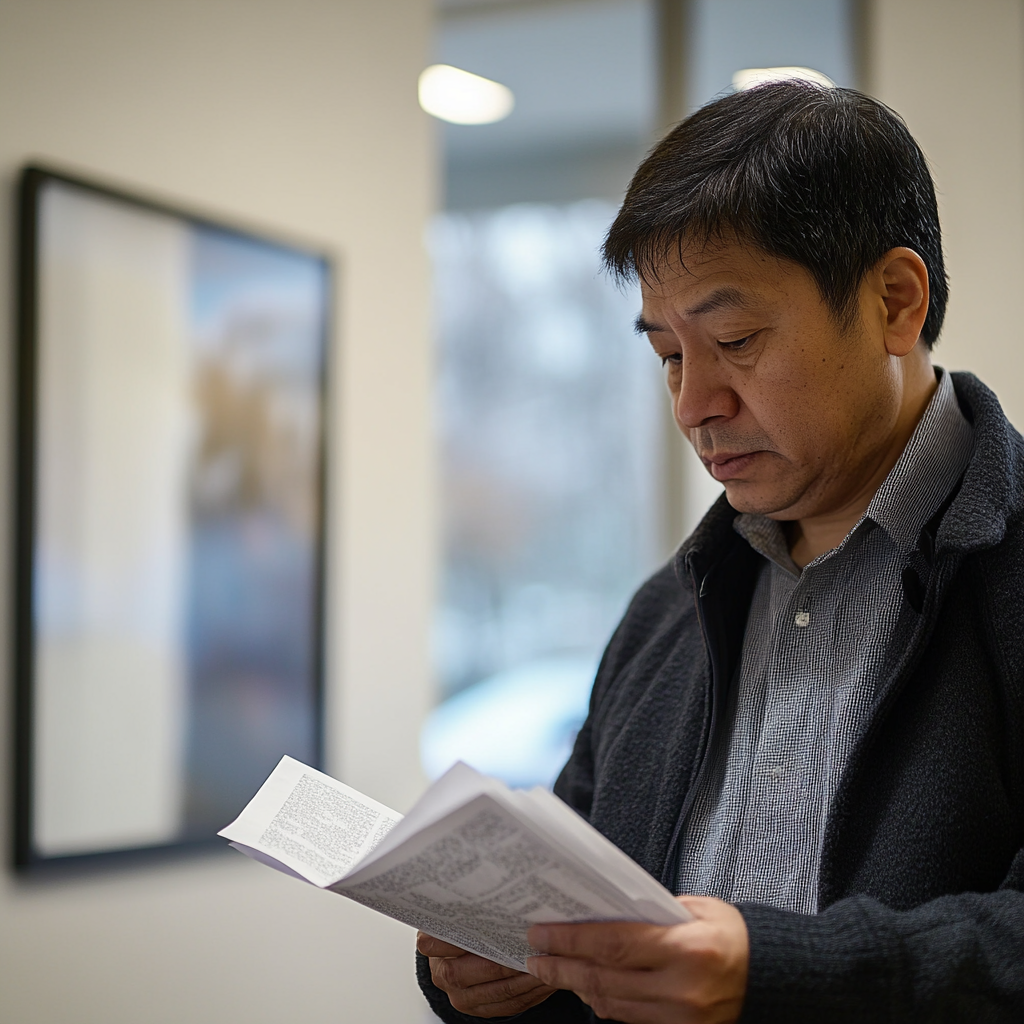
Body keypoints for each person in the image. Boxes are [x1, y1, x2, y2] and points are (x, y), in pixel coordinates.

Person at [416, 82, 1024, 1023]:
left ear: (896, 303)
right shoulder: (667, 611)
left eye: (734, 340)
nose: (694, 404)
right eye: (667, 354)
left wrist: (782, 973)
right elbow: (580, 903)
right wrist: (498, 969)